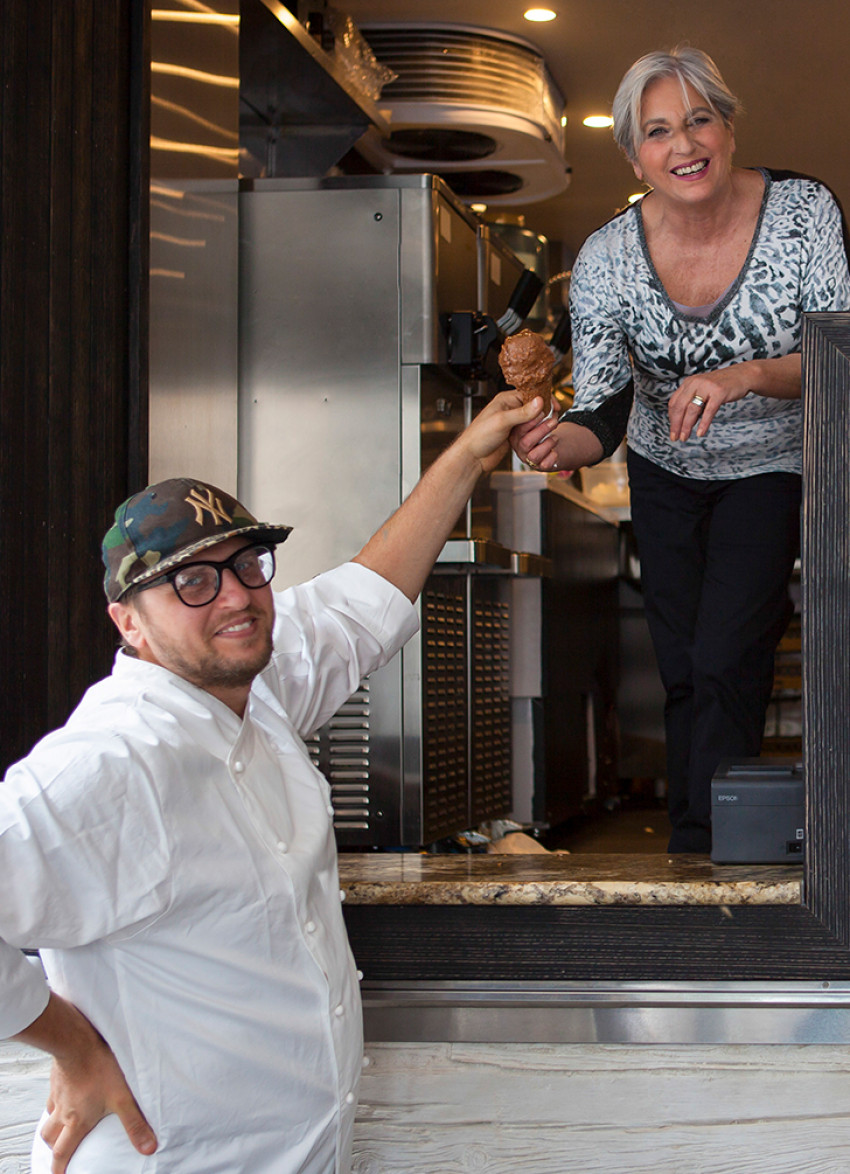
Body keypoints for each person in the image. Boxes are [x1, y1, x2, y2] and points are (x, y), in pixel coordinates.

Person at [0, 387, 541, 1174]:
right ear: (128, 621)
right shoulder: (115, 761)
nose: (237, 596)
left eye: (247, 565)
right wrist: (69, 1041)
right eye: (192, 582)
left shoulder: (247, 692)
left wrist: (468, 454)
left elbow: (363, 602)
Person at [511, 46, 850, 853]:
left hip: (773, 462)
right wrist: (555, 442)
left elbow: (837, 354)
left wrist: (744, 376)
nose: (684, 144)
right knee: (683, 658)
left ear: (728, 128)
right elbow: (600, 408)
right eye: (658, 131)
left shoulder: (803, 213)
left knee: (731, 644)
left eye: (699, 120)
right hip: (665, 468)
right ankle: (705, 835)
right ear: (635, 155)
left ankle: (711, 841)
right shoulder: (605, 260)